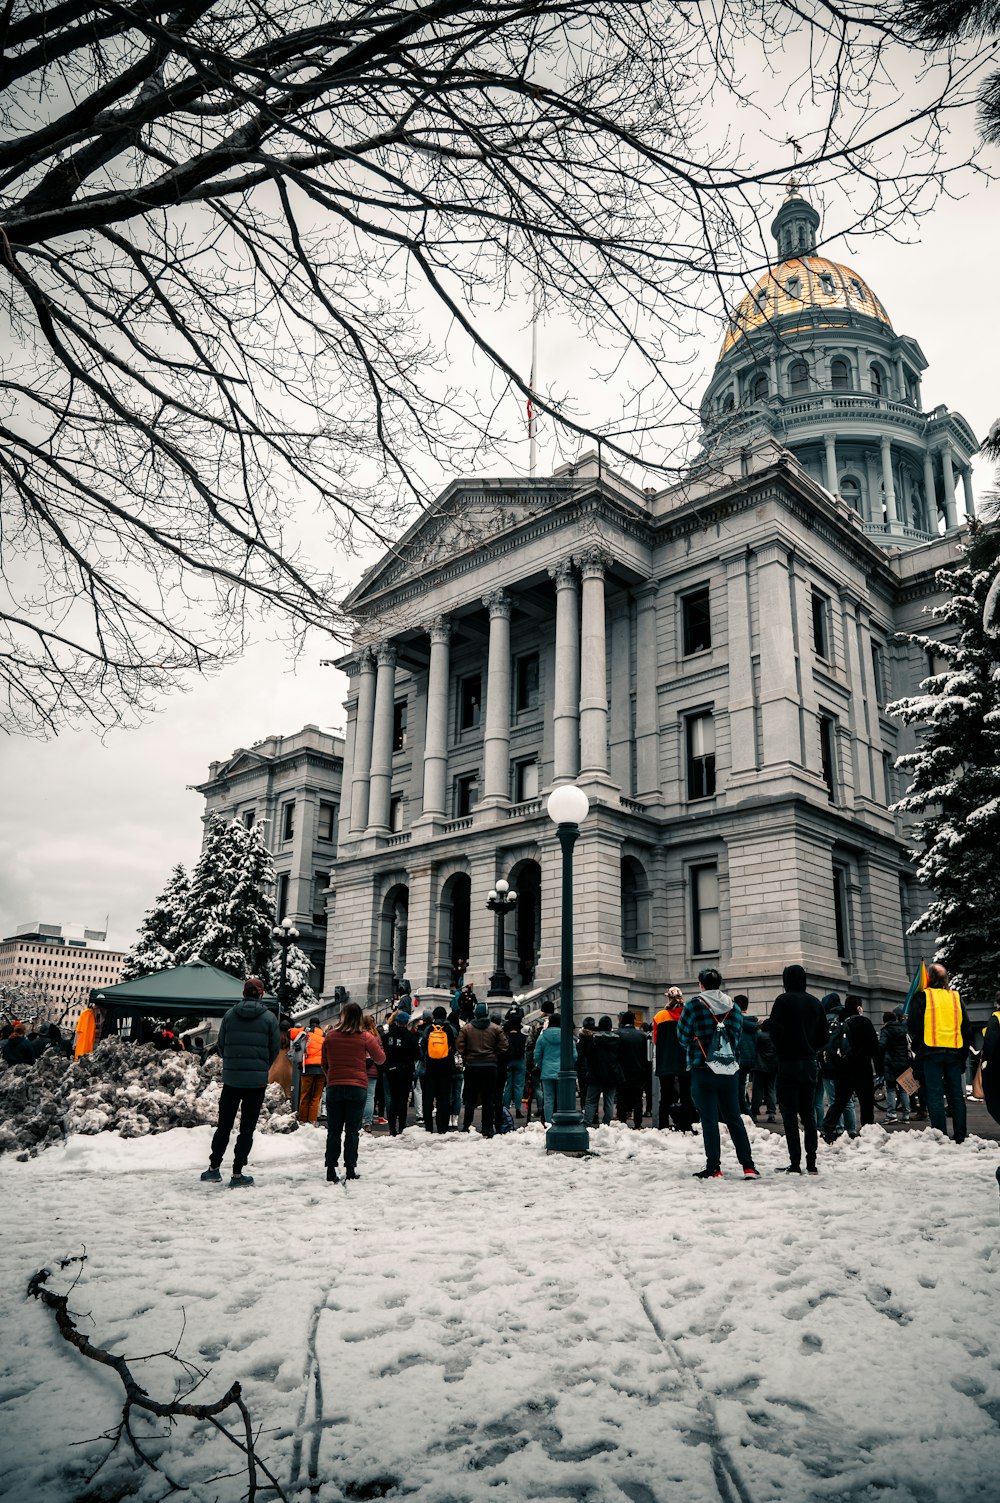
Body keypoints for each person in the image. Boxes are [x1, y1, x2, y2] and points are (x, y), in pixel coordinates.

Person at [677, 967, 760, 1180]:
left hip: (703, 1068)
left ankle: (714, 1167)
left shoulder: (694, 1005)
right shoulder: (734, 1007)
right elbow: (738, 1036)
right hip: (729, 1070)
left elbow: (682, 1036)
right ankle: (748, 1166)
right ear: (719, 984)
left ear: (701, 984)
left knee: (709, 1119)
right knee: (734, 1117)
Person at [201, 977, 280, 1188]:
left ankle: (213, 1169)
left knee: (224, 1125)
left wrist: (231, 1062)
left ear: (244, 993)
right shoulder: (269, 1018)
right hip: (256, 1083)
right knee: (247, 1129)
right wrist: (262, 1066)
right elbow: (274, 1049)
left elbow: (221, 1046)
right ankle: (237, 1174)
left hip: (232, 1080)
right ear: (261, 993)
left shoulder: (229, 1015)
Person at [768, 964, 828, 1175]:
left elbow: (775, 1032)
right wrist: (811, 1048)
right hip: (809, 1064)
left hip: (788, 1064)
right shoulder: (815, 1002)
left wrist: (783, 1049)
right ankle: (811, 1162)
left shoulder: (783, 1001)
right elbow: (824, 1036)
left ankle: (795, 1162)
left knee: (790, 1114)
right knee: (809, 1114)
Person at [908, 963, 974, 1144]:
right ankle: (960, 1136)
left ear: (929, 978)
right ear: (946, 979)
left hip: (931, 1052)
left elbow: (913, 1026)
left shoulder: (922, 997)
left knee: (935, 1094)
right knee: (956, 1095)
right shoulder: (955, 997)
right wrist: (962, 1053)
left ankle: (940, 1136)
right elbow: (966, 1028)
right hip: (954, 1051)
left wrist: (919, 1047)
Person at [321, 1002, 386, 1181]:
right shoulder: (365, 1037)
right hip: (357, 1087)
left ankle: (330, 1169)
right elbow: (381, 1059)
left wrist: (331, 1077)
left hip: (334, 1086)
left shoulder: (330, 1036)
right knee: (352, 1131)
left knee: (333, 1131)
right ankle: (350, 1168)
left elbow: (324, 1063)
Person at [821, 996, 883, 1142]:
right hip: (862, 1069)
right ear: (858, 1007)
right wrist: (880, 1070)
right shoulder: (863, 1022)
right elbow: (875, 1048)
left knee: (840, 1102)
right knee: (866, 1102)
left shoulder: (839, 1021)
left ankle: (827, 1128)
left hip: (843, 1070)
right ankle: (867, 1131)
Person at [458, 1001, 508, 1136]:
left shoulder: (466, 1028)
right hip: (490, 1066)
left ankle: (466, 1125)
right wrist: (493, 1054)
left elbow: (460, 1046)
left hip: (472, 1066)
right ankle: (488, 1127)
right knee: (488, 1098)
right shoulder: (496, 1029)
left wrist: (468, 1056)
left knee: (470, 1098)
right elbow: (504, 1047)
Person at [653, 988, 694, 1131]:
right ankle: (687, 1125)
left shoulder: (660, 1016)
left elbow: (656, 1040)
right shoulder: (688, 1014)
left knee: (665, 1096)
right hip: (685, 1061)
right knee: (686, 1095)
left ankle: (663, 1125)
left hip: (666, 1060)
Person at [818, 994, 856, 1139]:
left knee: (833, 1100)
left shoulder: (823, 1020)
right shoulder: (846, 1017)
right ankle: (851, 1129)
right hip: (844, 1065)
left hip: (827, 1065)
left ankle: (838, 1128)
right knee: (847, 1101)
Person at [420, 1007, 458, 1133]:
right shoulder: (450, 1029)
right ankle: (443, 1126)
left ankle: (429, 1126)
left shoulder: (428, 1029)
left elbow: (423, 1045)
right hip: (446, 1068)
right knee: (444, 1098)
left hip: (430, 1068)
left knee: (428, 1098)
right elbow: (454, 1047)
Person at [383, 1005, 419, 1135]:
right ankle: (402, 1126)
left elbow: (383, 1052)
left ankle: (392, 1127)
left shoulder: (388, 1037)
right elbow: (417, 1054)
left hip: (391, 1070)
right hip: (406, 1070)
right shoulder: (411, 1037)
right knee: (403, 1099)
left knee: (393, 1098)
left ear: (396, 1021)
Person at [533, 1012, 575, 1124]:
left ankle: (548, 1122)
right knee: (561, 1099)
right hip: (562, 1072)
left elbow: (537, 1055)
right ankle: (560, 1121)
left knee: (548, 1099)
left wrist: (543, 1065)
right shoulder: (567, 1036)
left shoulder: (542, 1038)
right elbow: (574, 1055)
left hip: (547, 1071)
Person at [583, 1016, 623, 1125]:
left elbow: (589, 1056)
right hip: (612, 1074)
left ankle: (587, 1122)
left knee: (591, 1101)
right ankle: (606, 1123)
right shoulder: (617, 1039)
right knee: (609, 1101)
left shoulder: (594, 1039)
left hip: (596, 1074)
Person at [879, 1010, 913, 1122]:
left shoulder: (886, 1030)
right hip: (904, 1062)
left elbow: (882, 1046)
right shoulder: (903, 1029)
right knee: (903, 1089)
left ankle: (891, 1114)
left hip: (891, 1063)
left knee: (890, 1089)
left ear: (884, 1021)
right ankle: (906, 1114)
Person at [616, 1011, 648, 1129]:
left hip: (622, 1072)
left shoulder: (618, 1034)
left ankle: (622, 1122)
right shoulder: (641, 1036)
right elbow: (645, 1057)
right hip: (638, 1071)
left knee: (622, 1099)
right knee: (637, 1099)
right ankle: (638, 1124)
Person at [297, 1016, 327, 1125]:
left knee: (305, 1095)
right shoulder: (324, 1035)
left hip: (307, 1068)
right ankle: (312, 1120)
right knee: (316, 1096)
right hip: (321, 1069)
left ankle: (302, 1120)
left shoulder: (306, 1033)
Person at [733, 995, 758, 1116]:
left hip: (738, 1059)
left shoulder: (736, 1021)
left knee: (737, 1092)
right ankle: (747, 1115)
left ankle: (747, 1115)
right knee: (741, 1089)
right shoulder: (753, 1022)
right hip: (749, 1060)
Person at [750, 1019, 778, 1123]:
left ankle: (755, 1112)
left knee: (757, 1091)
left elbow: (755, 1048)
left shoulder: (759, 1036)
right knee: (771, 1090)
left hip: (759, 1066)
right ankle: (771, 1113)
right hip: (773, 1067)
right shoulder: (775, 1037)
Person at [502, 1006, 528, 1119]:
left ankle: (506, 1108)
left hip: (508, 1062)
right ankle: (518, 1109)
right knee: (518, 1086)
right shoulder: (523, 1037)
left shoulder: (505, 1037)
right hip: (520, 1062)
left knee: (508, 1086)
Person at [268, 1016, 294, 1100]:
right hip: (288, 1065)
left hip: (275, 1063)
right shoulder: (291, 1039)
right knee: (287, 1083)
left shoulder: (275, 1037)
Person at [361, 1012, 379, 1130]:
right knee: (370, 1097)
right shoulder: (376, 1036)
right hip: (373, 1069)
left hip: (360, 1069)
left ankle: (359, 1120)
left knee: (360, 1096)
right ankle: (367, 1123)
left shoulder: (360, 1035)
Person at [576, 1018, 596, 1113]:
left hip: (583, 1068)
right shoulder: (595, 1037)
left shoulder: (581, 1037)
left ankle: (584, 1109)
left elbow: (579, 1054)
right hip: (593, 1068)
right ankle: (594, 1113)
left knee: (584, 1091)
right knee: (593, 1093)